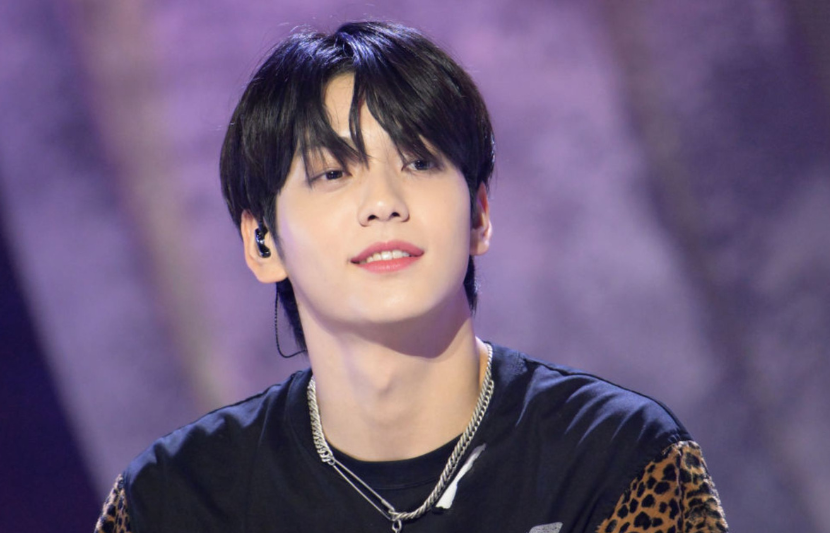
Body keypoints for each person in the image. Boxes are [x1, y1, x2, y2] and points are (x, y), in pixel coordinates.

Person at [95, 21, 728, 533]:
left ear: (478, 215)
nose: (384, 202)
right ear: (263, 242)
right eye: (334, 173)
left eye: (419, 162)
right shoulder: (175, 501)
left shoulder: (616, 459)